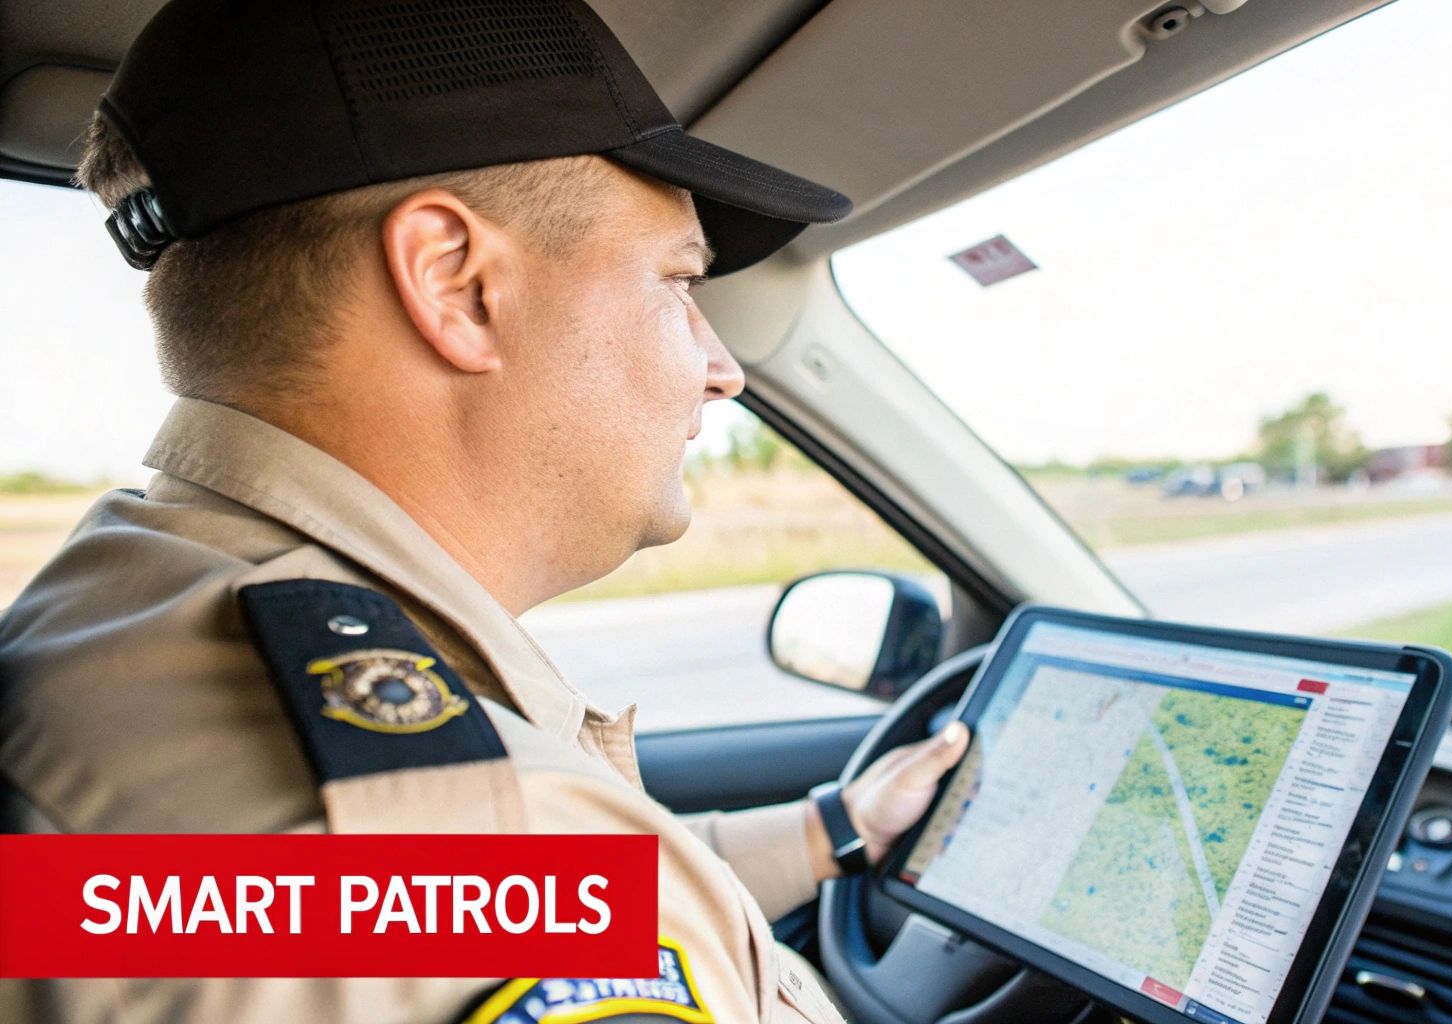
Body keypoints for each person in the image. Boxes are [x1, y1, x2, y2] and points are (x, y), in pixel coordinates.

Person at [0, 0, 969, 1021]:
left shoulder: (122, 593)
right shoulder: (484, 834)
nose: (719, 369)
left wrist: (833, 830)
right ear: (456, 285)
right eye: (676, 279)